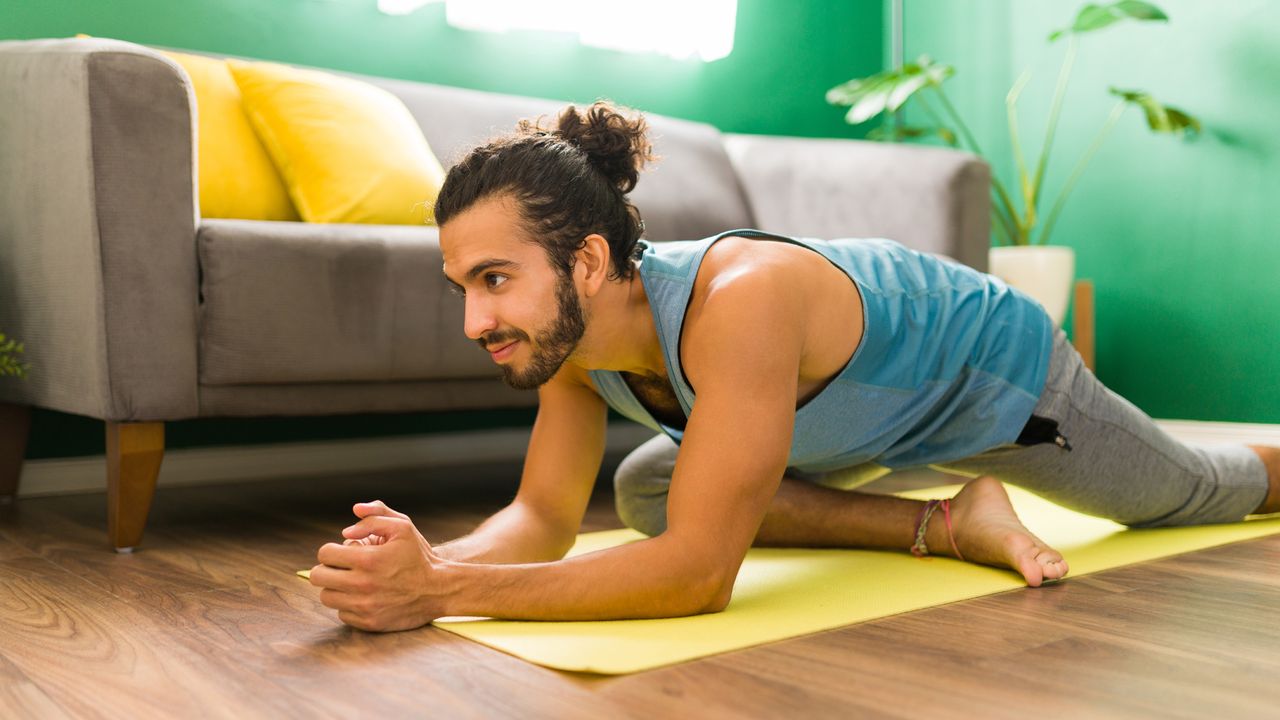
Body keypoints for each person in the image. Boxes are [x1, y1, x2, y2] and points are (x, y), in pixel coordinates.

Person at [308, 102, 1280, 632]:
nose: (475, 319)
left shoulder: (739, 303)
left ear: (588, 263)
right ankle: (950, 521)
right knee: (652, 485)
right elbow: (543, 519)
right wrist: (427, 561)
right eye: (461, 289)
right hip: (858, 426)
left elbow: (698, 576)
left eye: (492, 280)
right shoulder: (567, 343)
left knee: (1190, 488)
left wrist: (443, 593)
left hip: (997, 389)